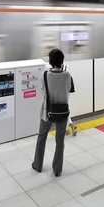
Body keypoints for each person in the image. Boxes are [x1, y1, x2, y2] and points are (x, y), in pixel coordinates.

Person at [32, 49, 74, 177]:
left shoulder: (45, 75)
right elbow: (69, 91)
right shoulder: (67, 75)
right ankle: (57, 170)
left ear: (50, 61)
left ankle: (38, 165)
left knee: (42, 137)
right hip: (62, 113)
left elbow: (43, 91)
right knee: (60, 141)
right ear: (62, 61)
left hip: (47, 112)